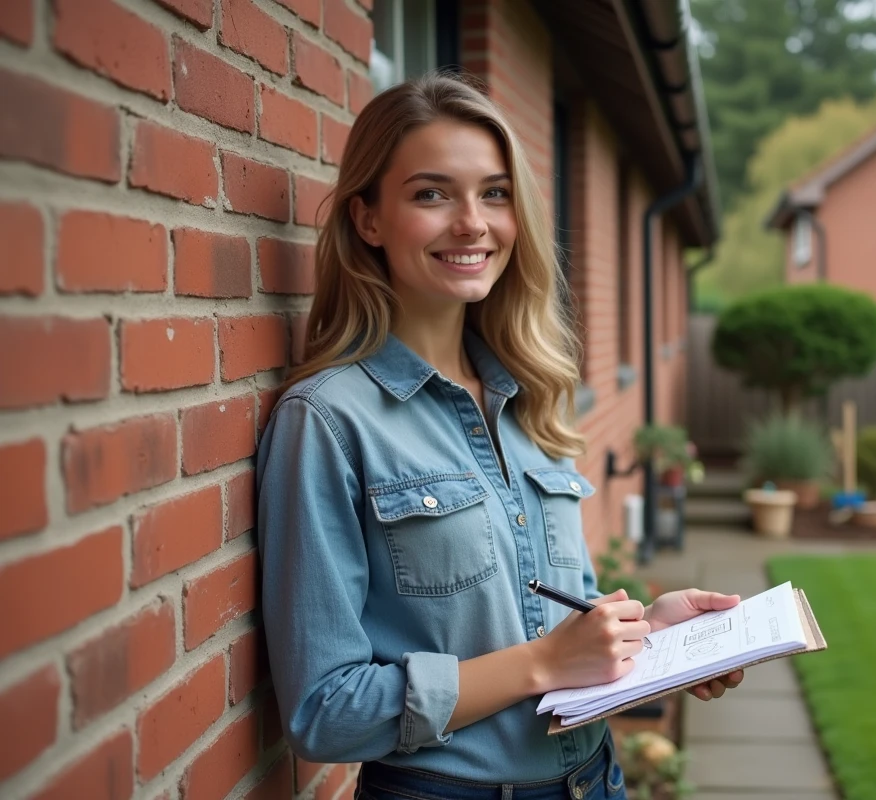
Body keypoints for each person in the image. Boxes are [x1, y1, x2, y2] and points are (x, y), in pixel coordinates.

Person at [256, 72, 744, 800]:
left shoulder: (532, 399)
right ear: (368, 220)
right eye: (431, 194)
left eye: (494, 192)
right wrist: (543, 663)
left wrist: (652, 634)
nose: (472, 223)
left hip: (595, 780)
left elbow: (558, 612)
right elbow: (324, 713)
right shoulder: (328, 421)